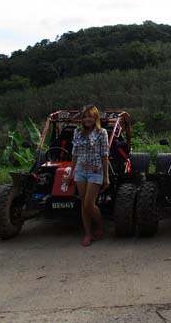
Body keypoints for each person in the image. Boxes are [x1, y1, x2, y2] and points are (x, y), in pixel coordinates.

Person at [71, 104, 109, 246]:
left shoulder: (102, 132)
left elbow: (104, 155)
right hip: (80, 171)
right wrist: (71, 171)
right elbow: (74, 153)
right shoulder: (77, 132)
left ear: (95, 118)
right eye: (85, 116)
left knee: (88, 203)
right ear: (82, 119)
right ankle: (87, 233)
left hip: (95, 171)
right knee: (83, 203)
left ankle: (99, 224)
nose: (88, 119)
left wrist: (106, 177)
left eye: (90, 117)